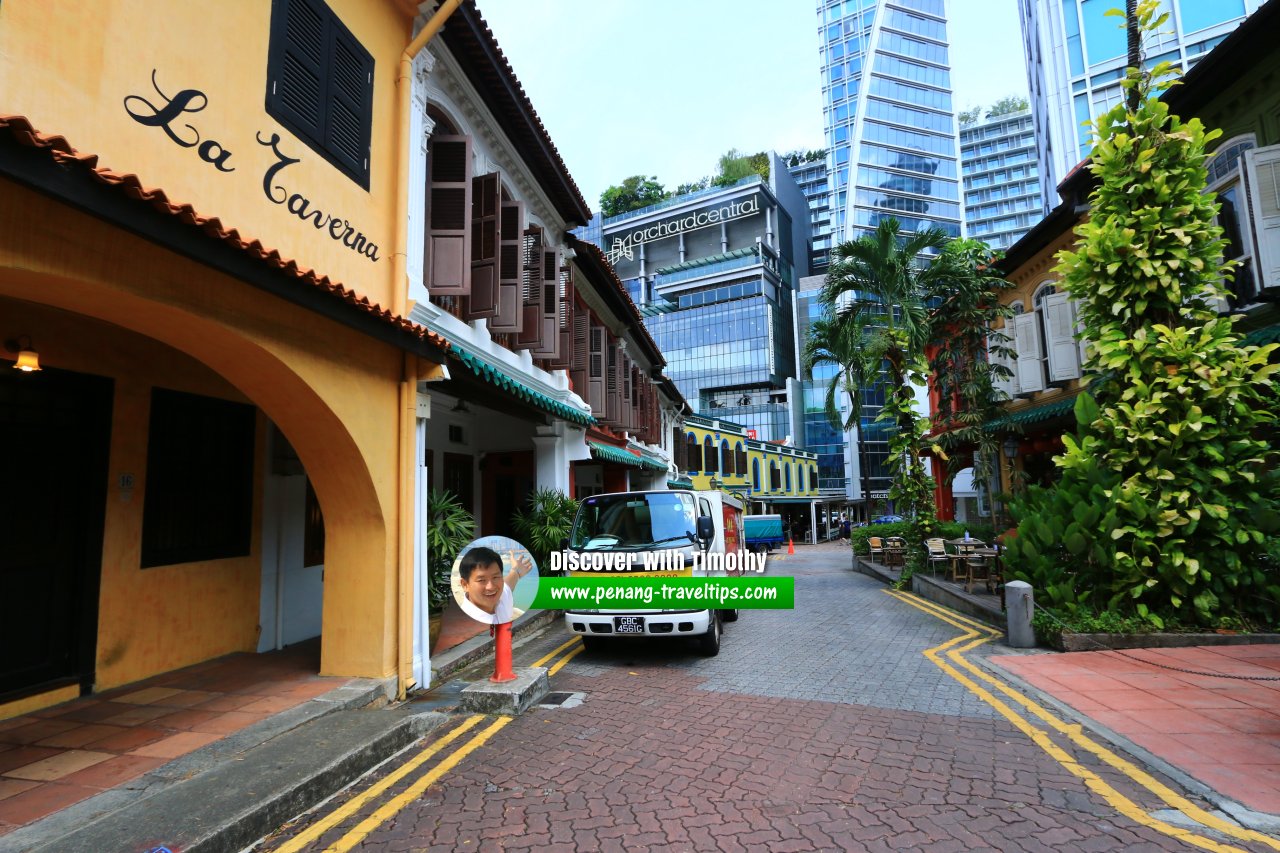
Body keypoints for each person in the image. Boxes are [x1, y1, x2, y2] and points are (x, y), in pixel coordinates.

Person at [456, 546, 534, 625]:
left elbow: (508, 585)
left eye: (495, 577)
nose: (491, 587)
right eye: (481, 580)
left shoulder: (501, 599)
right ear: (465, 585)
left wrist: (516, 571)